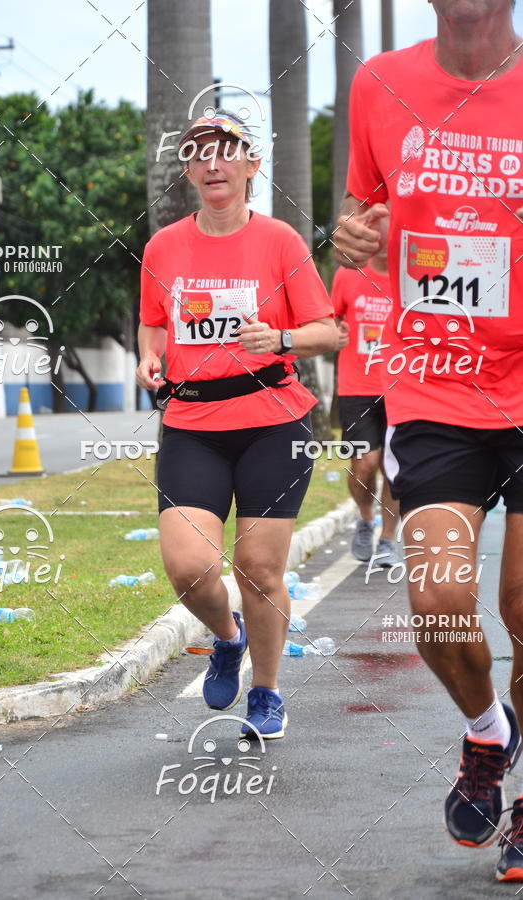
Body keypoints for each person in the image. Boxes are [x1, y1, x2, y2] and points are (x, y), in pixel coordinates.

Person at [334, 0, 523, 881]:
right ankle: (488, 731)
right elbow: (360, 218)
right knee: (441, 605)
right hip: (436, 381)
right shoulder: (382, 85)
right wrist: (354, 235)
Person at [137, 110, 338, 739]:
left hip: (273, 421)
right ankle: (228, 636)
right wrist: (148, 354)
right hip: (193, 419)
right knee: (189, 567)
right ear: (190, 170)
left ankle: (268, 692)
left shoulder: (280, 241)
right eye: (199, 154)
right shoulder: (164, 246)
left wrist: (277, 336)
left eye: (226, 152)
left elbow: (327, 331)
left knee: (259, 567)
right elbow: (152, 320)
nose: (213, 164)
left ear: (252, 165)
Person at [332, 223, 400, 567]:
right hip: (356, 386)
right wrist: (336, 330)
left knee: (393, 467)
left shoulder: (411, 275)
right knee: (365, 464)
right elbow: (330, 320)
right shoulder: (349, 274)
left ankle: (388, 538)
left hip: (403, 387)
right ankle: (365, 517)